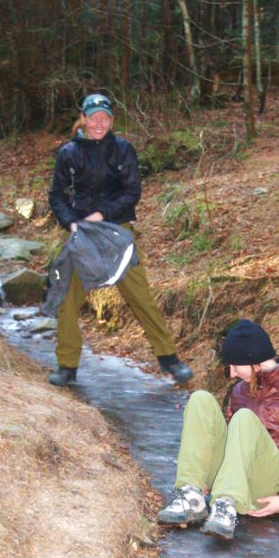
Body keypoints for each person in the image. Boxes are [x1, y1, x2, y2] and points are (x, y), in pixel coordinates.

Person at [47, 93, 193, 386]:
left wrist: (102, 214)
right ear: (84, 119)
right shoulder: (69, 153)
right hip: (82, 234)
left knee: (140, 296)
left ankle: (170, 360)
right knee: (67, 298)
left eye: (104, 118)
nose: (99, 123)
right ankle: (67, 366)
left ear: (111, 121)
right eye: (93, 118)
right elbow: (57, 196)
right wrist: (71, 223)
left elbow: (132, 191)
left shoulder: (123, 150)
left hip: (118, 231)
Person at [157, 320, 279, 540]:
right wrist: (207, 471)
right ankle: (192, 495)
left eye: (235, 366)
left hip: (273, 482)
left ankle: (226, 504)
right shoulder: (240, 390)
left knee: (244, 418)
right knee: (200, 399)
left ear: (254, 361)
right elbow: (232, 442)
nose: (231, 374)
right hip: (239, 477)